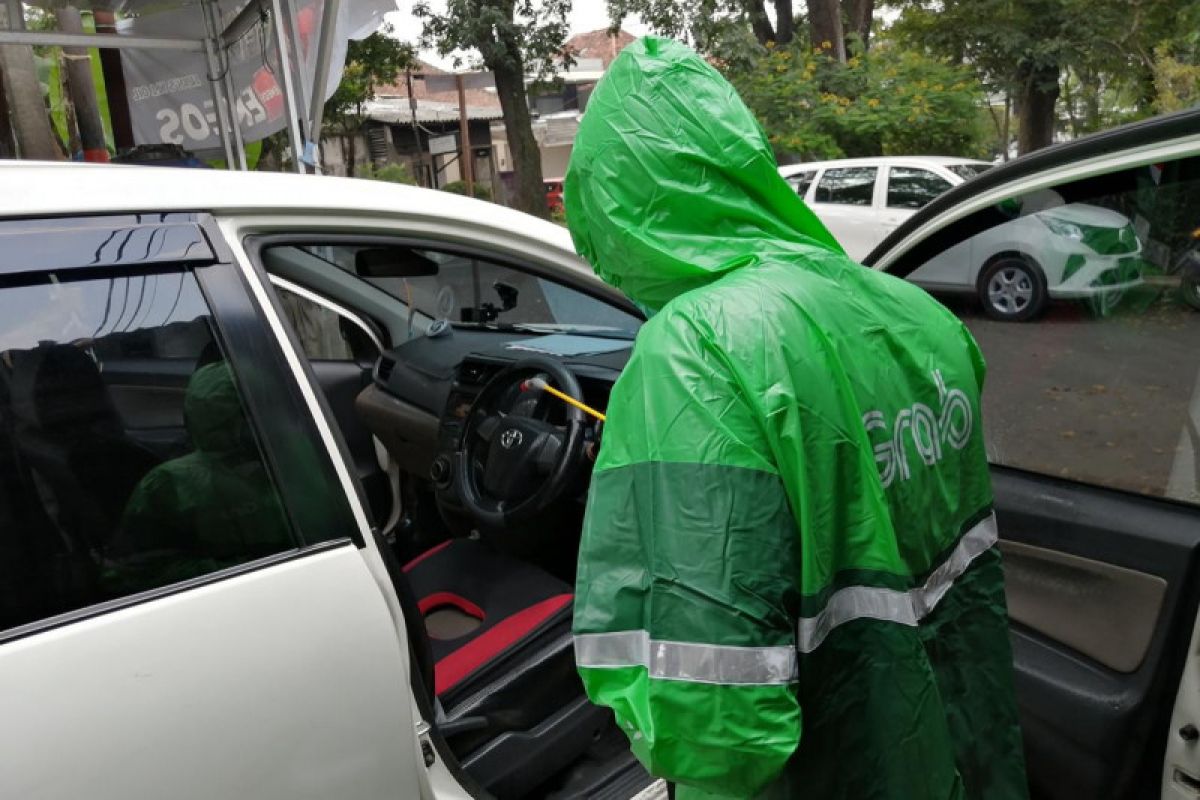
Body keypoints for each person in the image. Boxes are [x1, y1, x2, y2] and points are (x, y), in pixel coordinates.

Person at [566, 37, 1028, 800]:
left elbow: (718, 721)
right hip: (955, 748)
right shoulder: (912, 312)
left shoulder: (693, 353)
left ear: (610, 202)